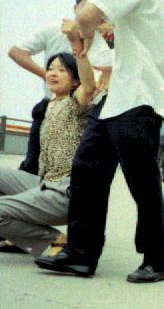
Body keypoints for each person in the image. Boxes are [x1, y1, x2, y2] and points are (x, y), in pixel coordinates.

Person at [36, 0, 164, 283]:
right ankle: (81, 253)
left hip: (141, 96)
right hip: (117, 97)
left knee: (142, 180)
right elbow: (92, 23)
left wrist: (79, 27)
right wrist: (82, 35)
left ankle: (156, 258)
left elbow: (87, 15)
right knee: (87, 167)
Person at [8, 0, 112, 174]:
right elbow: (16, 52)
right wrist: (48, 76)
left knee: (69, 169)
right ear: (75, 8)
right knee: (31, 165)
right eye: (85, 8)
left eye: (95, 12)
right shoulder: (53, 30)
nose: (88, 16)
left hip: (79, 112)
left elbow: (95, 86)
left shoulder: (101, 46)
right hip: (50, 105)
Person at [0, 53, 95, 256]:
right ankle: (19, 235)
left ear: (75, 81)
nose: (53, 73)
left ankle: (54, 242)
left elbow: (89, 87)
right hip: (44, 182)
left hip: (65, 190)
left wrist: (80, 52)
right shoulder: (49, 105)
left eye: (62, 70)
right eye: (50, 68)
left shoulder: (76, 103)